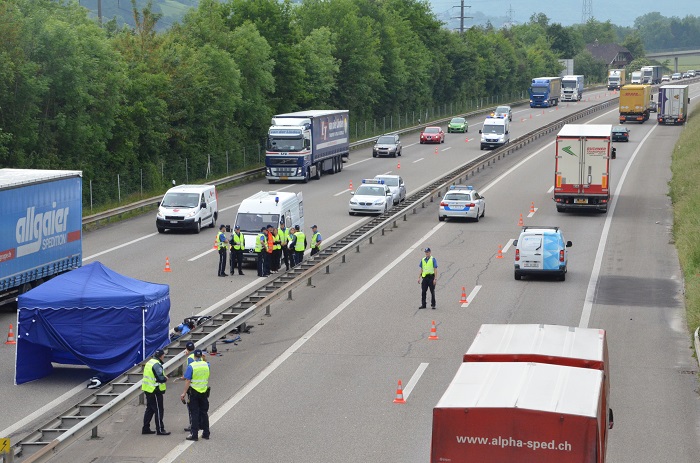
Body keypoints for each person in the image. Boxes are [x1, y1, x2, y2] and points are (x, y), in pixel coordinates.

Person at [181, 349, 210, 441]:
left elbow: (188, 380)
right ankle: (206, 433)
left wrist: (184, 393)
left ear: (194, 357)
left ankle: (194, 435)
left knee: (194, 413)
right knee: (204, 413)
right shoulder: (207, 365)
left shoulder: (191, 366)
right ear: (201, 356)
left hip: (194, 392)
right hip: (204, 392)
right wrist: (205, 360)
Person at [142, 349, 170, 435]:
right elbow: (160, 378)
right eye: (163, 355)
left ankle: (145, 428)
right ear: (161, 356)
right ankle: (160, 429)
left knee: (150, 409)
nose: (164, 357)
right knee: (158, 410)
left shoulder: (149, 362)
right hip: (155, 390)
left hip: (148, 389)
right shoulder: (156, 365)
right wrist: (165, 378)